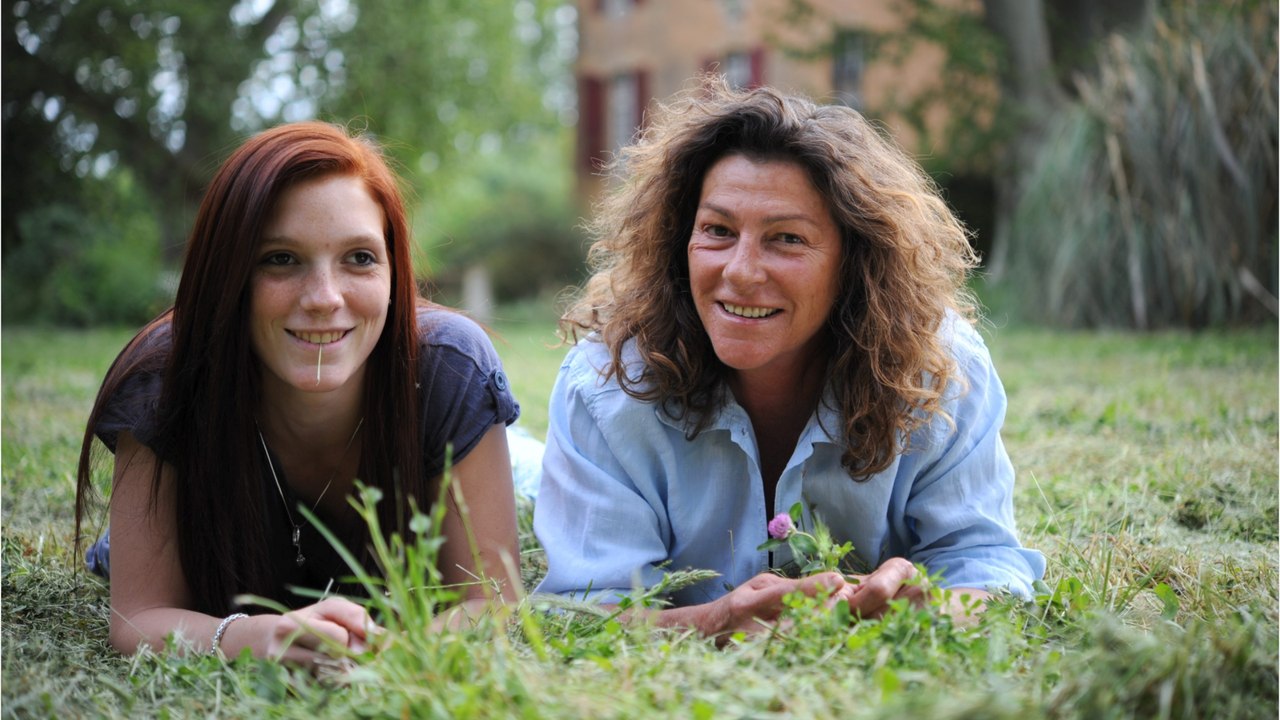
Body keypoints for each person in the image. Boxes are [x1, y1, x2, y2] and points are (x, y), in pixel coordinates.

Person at [533, 79, 1045, 640]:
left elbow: (987, 564)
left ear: (854, 261)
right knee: (521, 471)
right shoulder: (606, 383)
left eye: (787, 239)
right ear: (680, 241)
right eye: (717, 231)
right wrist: (713, 620)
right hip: (546, 472)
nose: (741, 272)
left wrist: (933, 610)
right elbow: (579, 611)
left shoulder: (939, 368)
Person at [74, 121, 522, 666]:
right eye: (280, 258)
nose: (324, 298)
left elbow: (494, 602)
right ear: (227, 274)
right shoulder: (163, 378)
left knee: (529, 475)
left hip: (468, 454)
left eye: (359, 257)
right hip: (190, 539)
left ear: (394, 271)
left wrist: (390, 654)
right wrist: (258, 640)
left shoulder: (451, 369)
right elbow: (138, 618)